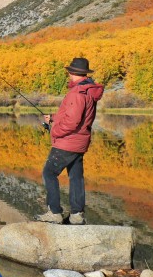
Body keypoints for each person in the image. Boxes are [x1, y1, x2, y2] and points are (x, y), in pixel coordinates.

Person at [35, 57, 104, 225]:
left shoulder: (77, 93)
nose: (69, 75)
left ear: (73, 73)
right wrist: (53, 118)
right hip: (80, 141)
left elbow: (72, 121)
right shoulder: (88, 91)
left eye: (70, 72)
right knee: (76, 176)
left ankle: (54, 213)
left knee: (49, 173)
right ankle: (76, 215)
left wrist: (55, 131)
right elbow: (74, 115)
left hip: (68, 141)